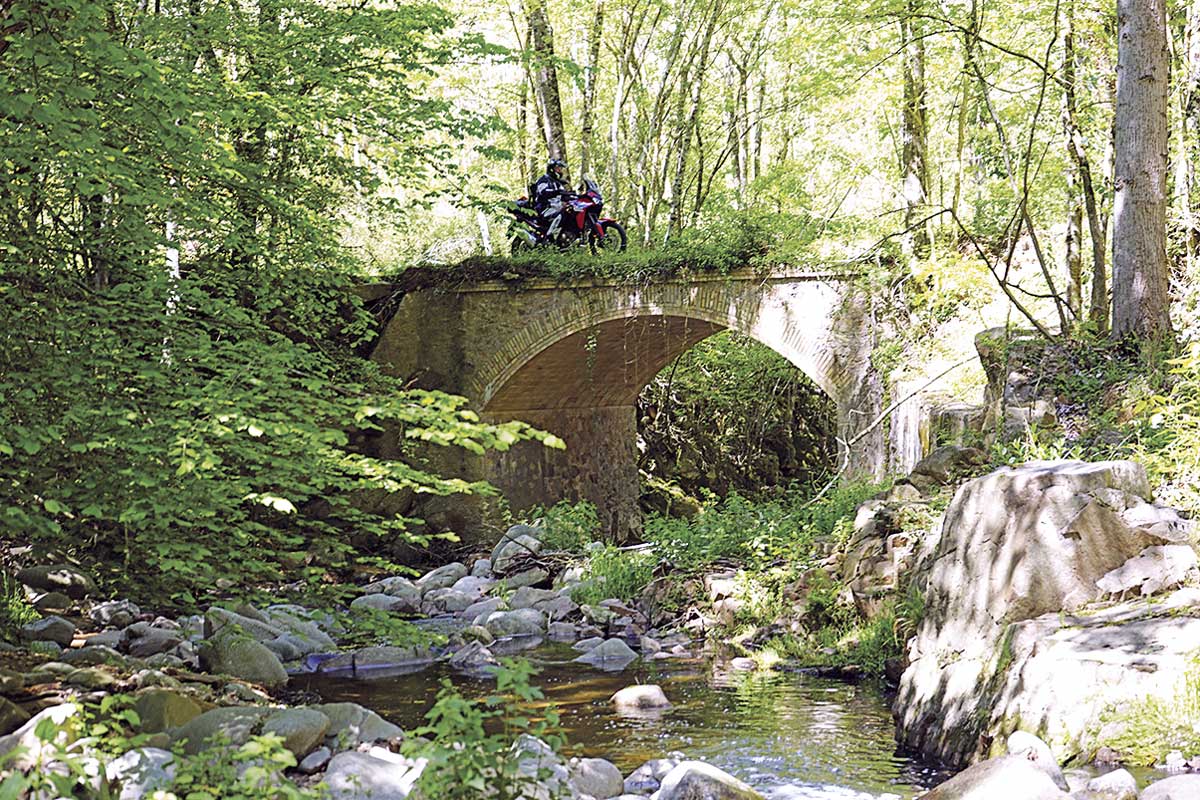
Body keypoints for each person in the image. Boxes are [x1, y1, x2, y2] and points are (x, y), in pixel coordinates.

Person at [530, 158, 570, 241]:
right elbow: (543, 192)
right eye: (558, 168)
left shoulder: (558, 183)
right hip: (544, 208)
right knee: (563, 214)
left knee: (571, 211)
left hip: (555, 207)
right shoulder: (544, 180)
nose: (560, 170)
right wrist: (557, 192)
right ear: (552, 169)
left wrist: (575, 196)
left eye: (561, 168)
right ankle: (549, 237)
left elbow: (563, 196)